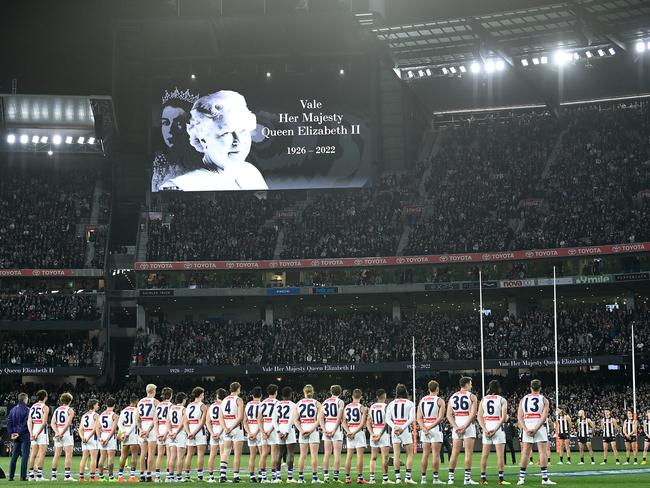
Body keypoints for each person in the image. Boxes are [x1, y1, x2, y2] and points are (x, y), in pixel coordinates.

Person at [162, 90, 268, 191]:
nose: (238, 141)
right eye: (226, 133)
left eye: (243, 131)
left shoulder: (250, 172)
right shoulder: (182, 185)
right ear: (203, 140)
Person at [152, 87, 200, 192]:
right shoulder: (160, 164)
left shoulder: (205, 161)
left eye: (178, 123)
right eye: (165, 123)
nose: (169, 130)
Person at [516, 379, 555, 485]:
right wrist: (537, 428)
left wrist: (525, 429)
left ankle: (521, 478)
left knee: (525, 453)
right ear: (540, 388)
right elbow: (544, 417)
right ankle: (545, 478)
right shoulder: (544, 400)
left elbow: (519, 417)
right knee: (543, 452)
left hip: (527, 425)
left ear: (530, 387)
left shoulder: (523, 399)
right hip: (540, 427)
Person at [447, 377, 478, 485]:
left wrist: (456, 427)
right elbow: (473, 414)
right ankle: (467, 479)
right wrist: (465, 426)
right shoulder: (472, 396)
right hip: (468, 425)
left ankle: (450, 479)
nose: (471, 385)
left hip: (457, 424)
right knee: (468, 453)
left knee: (454, 453)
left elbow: (448, 414)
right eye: (470, 383)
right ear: (466, 384)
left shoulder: (453, 396)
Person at [477, 380, 509, 485]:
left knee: (484, 454)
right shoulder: (502, 400)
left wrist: (484, 429)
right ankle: (501, 479)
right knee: (500, 455)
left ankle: (483, 478)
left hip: (487, 426)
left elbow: (479, 416)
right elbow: (504, 418)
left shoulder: (484, 399)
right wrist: (495, 429)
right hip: (497, 427)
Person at [385, 383, 416, 484]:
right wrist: (402, 427)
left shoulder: (391, 403)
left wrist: (395, 427)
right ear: (405, 392)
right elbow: (411, 418)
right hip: (405, 429)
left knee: (396, 454)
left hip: (395, 430)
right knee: (410, 454)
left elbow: (387, 419)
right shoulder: (410, 403)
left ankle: (398, 478)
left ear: (397, 392)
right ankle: (408, 477)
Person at [294, 384, 323, 483]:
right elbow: (319, 420)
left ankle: (300, 478)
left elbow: (295, 420)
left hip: (303, 429)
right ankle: (315, 478)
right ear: (313, 391)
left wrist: (302, 431)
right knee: (314, 455)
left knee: (302, 455)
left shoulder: (298, 403)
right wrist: (311, 431)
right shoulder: (317, 403)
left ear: (304, 392)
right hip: (313, 429)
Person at [417, 380, 445, 485]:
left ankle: (423, 478)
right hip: (435, 428)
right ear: (437, 388)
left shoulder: (422, 400)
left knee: (425, 454)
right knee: (435, 455)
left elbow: (419, 417)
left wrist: (423, 427)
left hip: (425, 429)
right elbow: (440, 417)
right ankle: (435, 479)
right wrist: (429, 427)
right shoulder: (440, 400)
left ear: (429, 388)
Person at [219, 382, 246, 482]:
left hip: (226, 429)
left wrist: (225, 428)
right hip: (236, 429)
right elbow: (240, 417)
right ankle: (235, 476)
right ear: (238, 389)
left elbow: (220, 417)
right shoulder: (239, 400)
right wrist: (231, 427)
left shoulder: (224, 400)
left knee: (225, 452)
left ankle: (222, 476)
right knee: (237, 454)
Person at [343, 389, 368, 484]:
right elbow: (362, 423)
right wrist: (354, 432)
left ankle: (347, 477)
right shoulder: (362, 407)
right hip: (358, 432)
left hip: (350, 430)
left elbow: (343, 422)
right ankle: (360, 478)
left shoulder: (347, 407)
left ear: (352, 396)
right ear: (361, 397)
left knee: (349, 456)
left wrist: (348, 432)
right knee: (359, 456)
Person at [321, 385, 345, 482]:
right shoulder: (340, 401)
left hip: (327, 425)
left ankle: (326, 477)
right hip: (336, 427)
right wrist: (335, 429)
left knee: (327, 453)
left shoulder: (325, 402)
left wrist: (323, 429)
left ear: (331, 391)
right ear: (340, 392)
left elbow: (320, 417)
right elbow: (340, 417)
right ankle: (335, 478)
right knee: (337, 454)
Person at [367, 389, 391, 485]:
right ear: (384, 395)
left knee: (373, 457)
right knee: (384, 457)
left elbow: (368, 422)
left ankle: (372, 479)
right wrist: (380, 435)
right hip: (382, 433)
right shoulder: (386, 407)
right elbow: (387, 422)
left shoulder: (372, 406)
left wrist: (372, 433)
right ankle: (385, 479)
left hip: (374, 431)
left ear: (377, 396)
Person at [50, 392, 76, 481]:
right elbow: (68, 423)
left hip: (58, 432)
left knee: (56, 455)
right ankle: (67, 476)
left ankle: (53, 476)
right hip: (66, 433)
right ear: (70, 401)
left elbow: (52, 423)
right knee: (68, 455)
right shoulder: (70, 410)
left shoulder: (57, 410)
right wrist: (61, 433)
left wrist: (57, 432)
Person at [184, 386, 208, 481]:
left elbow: (185, 422)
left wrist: (189, 432)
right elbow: (202, 422)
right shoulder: (203, 406)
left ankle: (187, 475)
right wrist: (194, 433)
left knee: (189, 454)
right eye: (203, 394)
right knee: (200, 454)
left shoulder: (189, 405)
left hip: (190, 428)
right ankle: (200, 476)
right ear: (201, 394)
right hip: (199, 430)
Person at [137, 383, 160, 482]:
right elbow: (157, 418)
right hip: (151, 427)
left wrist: (141, 429)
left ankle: (142, 475)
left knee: (143, 453)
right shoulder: (155, 402)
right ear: (153, 391)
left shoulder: (140, 401)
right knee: (151, 453)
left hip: (142, 426)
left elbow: (137, 418)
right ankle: (149, 475)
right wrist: (148, 430)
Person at [258, 384, 280, 483]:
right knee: (274, 454)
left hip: (264, 428)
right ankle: (274, 477)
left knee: (263, 454)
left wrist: (263, 432)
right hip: (273, 429)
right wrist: (270, 431)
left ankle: (263, 477)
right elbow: (277, 419)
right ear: (276, 392)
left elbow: (259, 419)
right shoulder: (278, 403)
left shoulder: (262, 403)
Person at [275, 386, 297, 482]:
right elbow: (291, 419)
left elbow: (273, 420)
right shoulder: (293, 404)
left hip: (280, 426)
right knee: (290, 453)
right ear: (291, 394)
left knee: (279, 454)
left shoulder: (277, 404)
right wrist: (287, 432)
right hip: (289, 429)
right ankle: (290, 478)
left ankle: (278, 477)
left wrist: (278, 431)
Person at [27, 390, 49, 481]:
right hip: (41, 431)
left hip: (34, 428)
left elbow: (29, 421)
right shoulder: (45, 407)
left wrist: (31, 433)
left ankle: (31, 476)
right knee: (41, 454)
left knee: (32, 454)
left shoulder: (32, 406)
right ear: (45, 397)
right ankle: (39, 476)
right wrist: (38, 433)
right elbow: (44, 423)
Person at [7, 392, 31, 482]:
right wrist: (19, 433)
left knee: (14, 456)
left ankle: (11, 477)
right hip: (24, 434)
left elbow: (9, 422)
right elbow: (26, 423)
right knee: (25, 456)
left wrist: (12, 433)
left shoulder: (13, 409)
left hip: (15, 436)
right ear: (25, 399)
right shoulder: (28, 410)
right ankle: (23, 476)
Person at [117, 394, 140, 483]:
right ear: (136, 401)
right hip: (133, 434)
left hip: (124, 434)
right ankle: (132, 476)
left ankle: (120, 477)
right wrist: (128, 433)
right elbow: (135, 423)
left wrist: (123, 432)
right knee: (134, 455)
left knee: (123, 455)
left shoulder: (124, 410)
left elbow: (119, 423)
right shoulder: (136, 410)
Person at [207, 389, 226, 483]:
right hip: (222, 431)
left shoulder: (211, 406)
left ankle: (211, 477)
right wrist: (220, 432)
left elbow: (207, 421)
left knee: (212, 455)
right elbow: (224, 420)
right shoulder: (224, 405)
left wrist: (212, 433)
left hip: (213, 430)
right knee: (223, 453)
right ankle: (222, 476)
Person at [168, 392, 188, 483]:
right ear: (183, 400)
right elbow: (183, 423)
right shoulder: (183, 409)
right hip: (179, 434)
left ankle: (170, 477)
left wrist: (170, 432)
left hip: (172, 432)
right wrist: (176, 433)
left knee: (172, 456)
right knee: (180, 457)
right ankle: (179, 477)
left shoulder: (171, 408)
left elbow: (167, 422)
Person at [97, 397, 119, 481]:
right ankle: (111, 477)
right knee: (110, 458)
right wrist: (108, 439)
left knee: (102, 457)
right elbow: (113, 429)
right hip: (110, 436)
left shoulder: (101, 414)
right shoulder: (114, 415)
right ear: (114, 405)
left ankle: (101, 477)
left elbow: (98, 428)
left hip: (103, 435)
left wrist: (100, 438)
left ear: (106, 404)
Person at [155, 387, 174, 481]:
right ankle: (168, 476)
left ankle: (157, 477)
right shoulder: (171, 405)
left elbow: (155, 421)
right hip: (167, 429)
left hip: (159, 428)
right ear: (170, 395)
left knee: (159, 454)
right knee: (169, 454)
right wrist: (166, 434)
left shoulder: (158, 405)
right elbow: (169, 421)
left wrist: (158, 434)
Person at [244, 387, 263, 482]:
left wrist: (249, 433)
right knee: (262, 455)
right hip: (259, 431)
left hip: (250, 430)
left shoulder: (247, 405)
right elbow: (262, 421)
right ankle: (261, 476)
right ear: (261, 395)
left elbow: (244, 421)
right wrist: (255, 433)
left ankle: (252, 476)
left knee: (252, 455)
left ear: (252, 395)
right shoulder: (262, 404)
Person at [79, 398, 100, 482]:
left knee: (84, 457)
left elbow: (80, 429)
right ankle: (92, 477)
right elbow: (95, 428)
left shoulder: (84, 415)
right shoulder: (96, 415)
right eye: (97, 404)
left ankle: (81, 477)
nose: (98, 406)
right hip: (92, 437)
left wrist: (82, 437)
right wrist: (89, 437)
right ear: (94, 405)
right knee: (93, 458)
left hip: (84, 436)